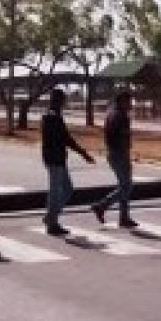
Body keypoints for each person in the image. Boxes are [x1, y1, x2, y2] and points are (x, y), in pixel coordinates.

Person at [41, 89, 96, 236]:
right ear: (57, 101)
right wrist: (83, 153)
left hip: (57, 158)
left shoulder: (54, 116)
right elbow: (65, 139)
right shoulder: (52, 117)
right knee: (55, 192)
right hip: (54, 159)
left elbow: (65, 138)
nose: (62, 103)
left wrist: (82, 152)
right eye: (61, 100)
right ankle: (52, 223)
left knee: (67, 190)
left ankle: (50, 217)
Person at [91, 92, 138, 228]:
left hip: (117, 153)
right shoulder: (119, 116)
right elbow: (114, 136)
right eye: (128, 101)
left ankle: (124, 217)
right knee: (127, 186)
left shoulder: (114, 114)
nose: (130, 104)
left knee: (124, 186)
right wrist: (122, 151)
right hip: (119, 154)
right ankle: (102, 205)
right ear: (122, 101)